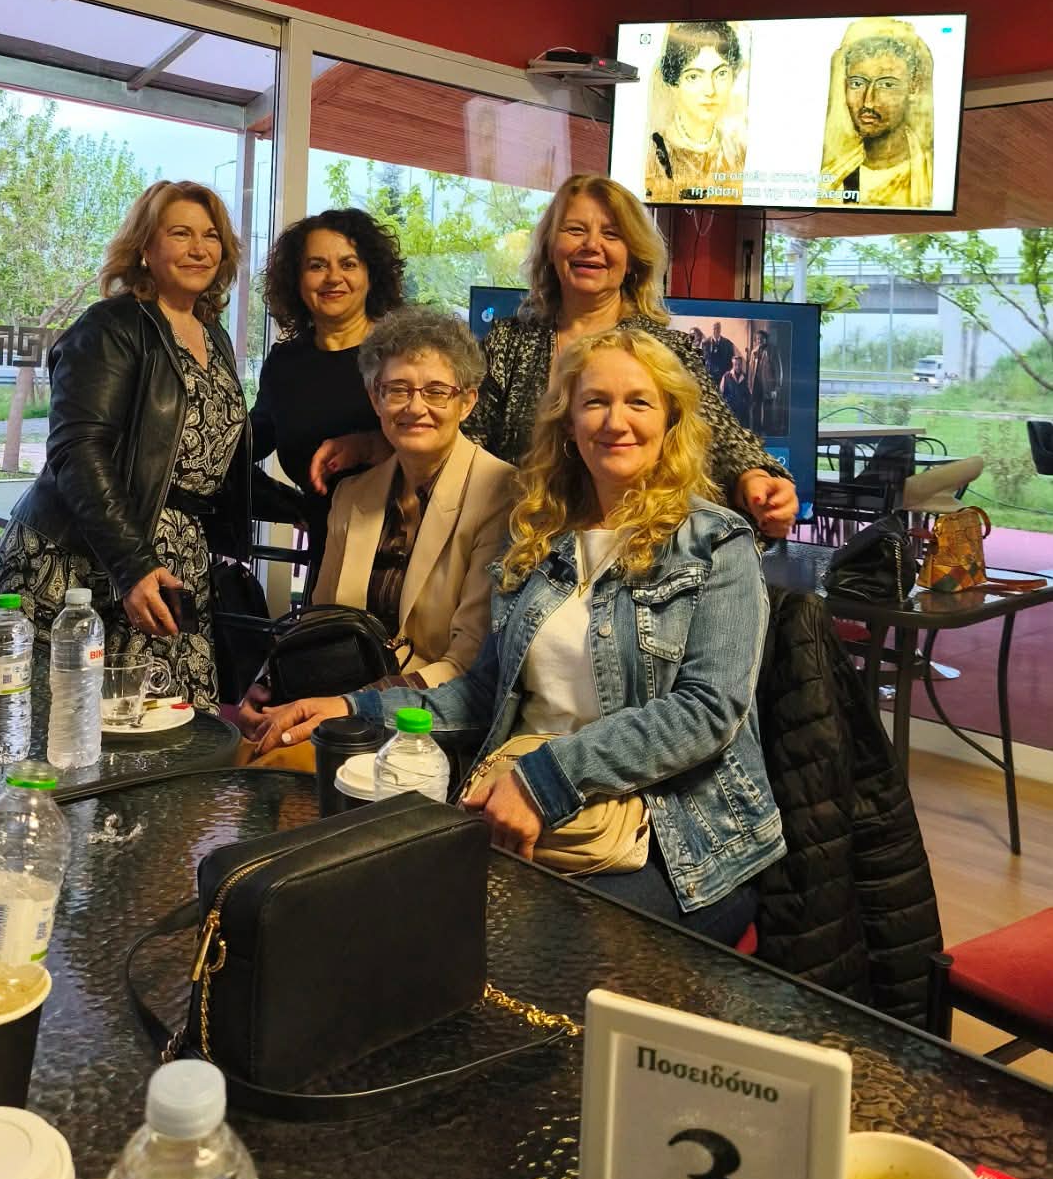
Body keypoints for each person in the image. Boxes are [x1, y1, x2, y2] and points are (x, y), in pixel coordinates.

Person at [259, 328, 786, 944]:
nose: (615, 422)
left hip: (676, 837)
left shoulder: (717, 542)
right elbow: (484, 692)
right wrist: (354, 708)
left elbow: (706, 711)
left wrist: (544, 780)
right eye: (595, 402)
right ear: (568, 424)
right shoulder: (538, 534)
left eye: (638, 402)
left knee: (511, 950)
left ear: (670, 419)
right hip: (524, 803)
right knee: (371, 917)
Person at [313, 175, 795, 538]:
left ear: (633, 256)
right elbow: (458, 438)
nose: (592, 246)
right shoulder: (508, 341)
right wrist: (374, 444)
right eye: (575, 230)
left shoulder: (668, 349)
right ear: (550, 247)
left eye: (611, 234)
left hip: (632, 560)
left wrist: (758, 477)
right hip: (516, 551)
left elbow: (724, 440)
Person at [0, 181, 251, 707]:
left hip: (174, 558)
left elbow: (206, 461)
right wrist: (132, 566)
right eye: (180, 234)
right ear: (144, 247)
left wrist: (321, 501)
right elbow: (78, 450)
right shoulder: (110, 325)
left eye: (211, 236)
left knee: (171, 725)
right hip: (84, 560)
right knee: (70, 728)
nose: (199, 249)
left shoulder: (213, 334)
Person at [238, 306, 517, 750]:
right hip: (337, 709)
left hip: (434, 726)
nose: (415, 407)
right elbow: (321, 621)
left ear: (467, 402)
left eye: (436, 391)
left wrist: (348, 705)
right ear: (375, 399)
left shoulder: (503, 494)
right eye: (397, 390)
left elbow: (467, 663)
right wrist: (271, 681)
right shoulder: (352, 495)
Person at [250, 209, 405, 595]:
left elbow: (449, 451)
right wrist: (291, 505)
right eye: (317, 265)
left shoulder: (406, 353)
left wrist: (370, 445)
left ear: (371, 274)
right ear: (297, 280)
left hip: (405, 554)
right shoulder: (286, 364)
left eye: (348, 264)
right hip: (328, 555)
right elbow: (243, 448)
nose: (333, 277)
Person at [818, 19, 935, 208]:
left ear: (913, 87)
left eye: (887, 84)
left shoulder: (932, 175)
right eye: (857, 83)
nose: (868, 102)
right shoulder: (832, 180)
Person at [645, 21, 748, 204]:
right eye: (694, 76)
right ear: (674, 83)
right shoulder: (654, 152)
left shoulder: (738, 151)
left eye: (721, 73)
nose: (710, 90)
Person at [748, 330, 783, 438]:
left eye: (761, 338)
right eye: (757, 339)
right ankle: (756, 431)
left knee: (768, 410)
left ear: (765, 339)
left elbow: (778, 370)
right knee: (755, 409)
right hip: (756, 385)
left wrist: (777, 388)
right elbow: (750, 370)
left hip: (768, 386)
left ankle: (768, 432)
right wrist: (750, 385)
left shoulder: (772, 351)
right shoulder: (754, 352)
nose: (759, 340)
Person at [720, 352, 751, 426]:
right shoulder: (726, 376)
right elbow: (722, 393)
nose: (737, 367)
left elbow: (748, 394)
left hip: (742, 411)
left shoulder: (745, 377)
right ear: (732, 364)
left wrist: (745, 404)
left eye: (739, 364)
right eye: (735, 364)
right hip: (731, 409)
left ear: (741, 365)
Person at [704, 320, 734, 386]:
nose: (716, 330)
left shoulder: (727, 343)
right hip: (710, 375)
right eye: (714, 328)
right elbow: (704, 359)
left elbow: (731, 359)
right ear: (712, 329)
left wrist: (728, 372)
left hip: (723, 376)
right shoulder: (706, 343)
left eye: (718, 328)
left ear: (720, 329)